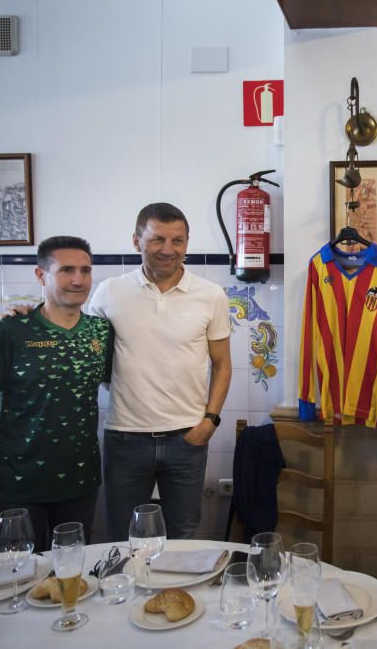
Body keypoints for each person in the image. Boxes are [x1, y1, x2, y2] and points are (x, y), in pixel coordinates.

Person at [89, 202, 232, 540]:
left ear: (186, 243)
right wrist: (29, 316)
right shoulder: (110, 292)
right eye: (157, 240)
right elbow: (82, 346)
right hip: (125, 438)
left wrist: (210, 421)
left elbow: (223, 364)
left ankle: (177, 594)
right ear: (137, 241)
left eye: (177, 241)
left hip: (187, 438)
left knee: (183, 535)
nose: (168, 250)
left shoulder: (211, 295)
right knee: (123, 538)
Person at [0, 236, 113, 551]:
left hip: (80, 485)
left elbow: (130, 383)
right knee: (16, 582)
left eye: (85, 271)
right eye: (66, 270)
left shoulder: (101, 332)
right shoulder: (10, 331)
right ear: (40, 275)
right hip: (17, 486)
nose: (78, 280)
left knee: (68, 581)